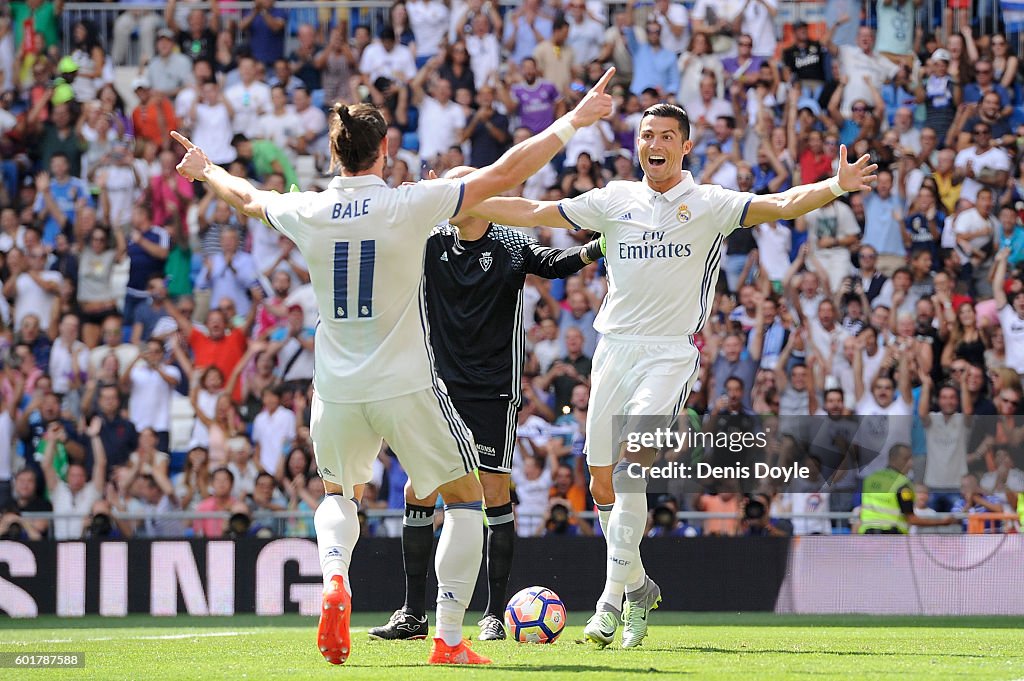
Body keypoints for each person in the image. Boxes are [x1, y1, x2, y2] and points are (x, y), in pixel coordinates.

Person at [171, 68, 615, 665]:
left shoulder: (307, 209)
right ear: (386, 150)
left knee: (338, 493)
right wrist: (575, 119)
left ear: (334, 154)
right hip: (405, 383)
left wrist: (206, 170)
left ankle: (334, 580)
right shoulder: (411, 204)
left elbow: (247, 198)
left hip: (334, 386)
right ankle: (451, 638)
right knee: (463, 498)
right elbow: (506, 174)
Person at [467, 103, 877, 648]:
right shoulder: (615, 199)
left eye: (664, 135)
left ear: (685, 146)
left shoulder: (709, 204)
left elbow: (780, 204)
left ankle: (610, 603)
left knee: (634, 462)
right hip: (612, 351)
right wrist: (461, 200)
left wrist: (835, 185)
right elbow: (538, 211)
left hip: (668, 354)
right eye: (645, 135)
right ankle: (639, 588)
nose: (652, 143)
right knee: (602, 483)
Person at [367, 166, 603, 642]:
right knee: (419, 490)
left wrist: (601, 245)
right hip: (436, 387)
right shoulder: (429, 241)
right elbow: (381, 234)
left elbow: (558, 263)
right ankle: (414, 614)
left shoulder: (511, 244)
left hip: (492, 389)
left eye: (458, 189)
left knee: (494, 493)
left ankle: (494, 613)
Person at [858, 444, 959, 534]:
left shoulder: (870, 479)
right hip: (891, 536)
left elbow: (863, 509)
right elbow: (912, 519)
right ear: (893, 459)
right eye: (906, 459)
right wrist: (943, 522)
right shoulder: (902, 484)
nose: (910, 463)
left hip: (867, 536)